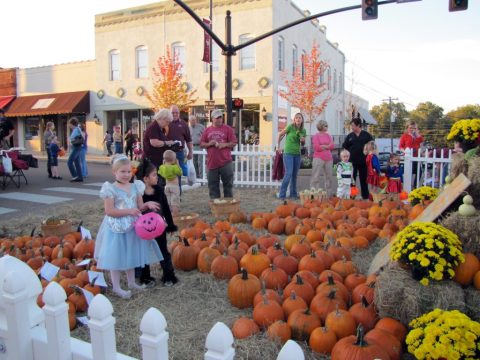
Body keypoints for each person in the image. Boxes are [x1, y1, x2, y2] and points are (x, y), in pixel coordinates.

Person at [94, 154, 164, 299]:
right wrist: (128, 211)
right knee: (117, 256)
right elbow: (109, 211)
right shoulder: (110, 189)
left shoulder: (135, 187)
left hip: (133, 226)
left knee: (130, 253)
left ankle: (132, 282)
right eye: (122, 172)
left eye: (128, 171)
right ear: (115, 172)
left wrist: (146, 205)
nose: (126, 175)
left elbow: (139, 206)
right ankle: (117, 287)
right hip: (116, 228)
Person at [135, 159, 178, 287]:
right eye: (154, 174)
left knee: (163, 251)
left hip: (159, 227)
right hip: (144, 229)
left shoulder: (159, 190)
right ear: (145, 178)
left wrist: (169, 224)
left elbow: (165, 208)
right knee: (144, 252)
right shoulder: (138, 194)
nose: (157, 177)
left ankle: (168, 275)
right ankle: (145, 277)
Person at [200, 109, 237, 199]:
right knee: (213, 187)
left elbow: (234, 142)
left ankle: (228, 205)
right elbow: (201, 144)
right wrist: (209, 144)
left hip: (226, 162)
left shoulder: (228, 129)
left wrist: (224, 145)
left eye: (220, 117)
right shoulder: (207, 130)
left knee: (228, 186)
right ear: (212, 118)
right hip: (212, 163)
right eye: (217, 118)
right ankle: (215, 206)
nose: (219, 119)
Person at [342, 117, 373, 200]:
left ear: (358, 125)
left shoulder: (366, 135)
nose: (351, 127)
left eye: (353, 125)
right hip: (352, 162)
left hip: (363, 162)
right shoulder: (350, 136)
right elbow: (345, 147)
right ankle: (352, 196)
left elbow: (372, 145)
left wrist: (370, 152)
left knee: (364, 180)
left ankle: (365, 196)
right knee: (352, 180)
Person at [277, 112, 306, 200]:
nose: (298, 119)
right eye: (296, 117)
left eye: (299, 118)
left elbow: (303, 144)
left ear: (302, 120)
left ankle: (293, 194)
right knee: (288, 174)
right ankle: (282, 194)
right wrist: (278, 147)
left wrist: (303, 140)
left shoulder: (303, 130)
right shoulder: (290, 127)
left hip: (297, 154)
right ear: (294, 119)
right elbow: (280, 134)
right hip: (288, 153)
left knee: (294, 175)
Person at [167, 105, 193, 193]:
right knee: (167, 174)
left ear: (179, 113)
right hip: (167, 153)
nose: (174, 114)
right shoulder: (166, 123)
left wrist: (190, 152)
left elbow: (189, 140)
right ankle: (168, 194)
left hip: (179, 153)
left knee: (178, 174)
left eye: (176, 112)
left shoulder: (183, 124)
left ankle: (178, 194)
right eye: (172, 112)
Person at [310, 120, 334, 194]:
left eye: (327, 125)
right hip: (318, 158)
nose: (327, 127)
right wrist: (327, 146)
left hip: (329, 159)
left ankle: (329, 194)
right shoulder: (316, 136)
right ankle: (314, 193)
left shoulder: (329, 135)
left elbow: (332, 146)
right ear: (321, 126)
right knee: (316, 176)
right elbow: (317, 147)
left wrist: (323, 146)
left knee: (329, 177)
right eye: (325, 125)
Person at [399, 120, 423, 187]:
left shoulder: (417, 136)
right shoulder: (404, 136)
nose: (412, 129)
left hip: (416, 158)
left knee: (419, 173)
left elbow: (421, 141)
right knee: (408, 173)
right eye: (410, 128)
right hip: (408, 157)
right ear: (407, 128)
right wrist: (405, 152)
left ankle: (415, 187)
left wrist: (416, 133)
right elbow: (400, 146)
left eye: (414, 128)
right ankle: (407, 187)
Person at [158, 150, 182, 216]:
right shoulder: (174, 167)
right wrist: (178, 164)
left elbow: (160, 173)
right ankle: (175, 215)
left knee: (168, 202)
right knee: (175, 202)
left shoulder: (162, 167)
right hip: (175, 186)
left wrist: (163, 164)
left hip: (167, 186)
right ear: (174, 160)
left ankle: (168, 215)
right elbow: (180, 173)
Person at [67, 117, 84, 183]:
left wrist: (70, 139)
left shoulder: (76, 130)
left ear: (72, 124)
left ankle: (75, 176)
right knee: (77, 163)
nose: (69, 125)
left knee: (69, 162)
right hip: (78, 146)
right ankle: (80, 177)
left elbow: (72, 138)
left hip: (76, 147)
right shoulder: (78, 129)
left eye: (69, 124)